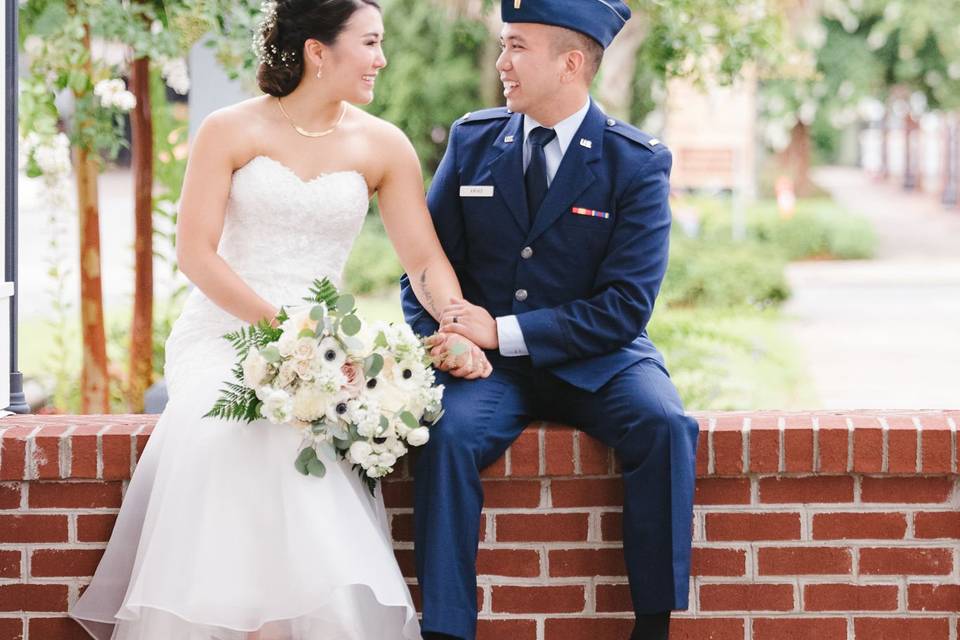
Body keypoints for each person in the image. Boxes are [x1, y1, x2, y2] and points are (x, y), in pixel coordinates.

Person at [69, 1, 490, 638]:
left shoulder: (383, 144)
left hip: (324, 349)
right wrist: (283, 333)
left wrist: (456, 320)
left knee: (301, 437)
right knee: (234, 432)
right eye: (369, 43)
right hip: (226, 331)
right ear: (318, 52)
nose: (381, 59)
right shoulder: (228, 129)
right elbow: (194, 253)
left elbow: (425, 260)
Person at [400, 1, 701, 639]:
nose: (502, 63)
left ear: (570, 63)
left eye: (517, 47)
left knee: (666, 424)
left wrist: (502, 330)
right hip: (490, 372)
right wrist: (451, 335)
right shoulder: (473, 139)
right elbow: (420, 268)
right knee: (445, 438)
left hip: (602, 360)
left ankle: (653, 626)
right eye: (503, 46)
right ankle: (446, 628)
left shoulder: (636, 162)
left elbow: (625, 308)